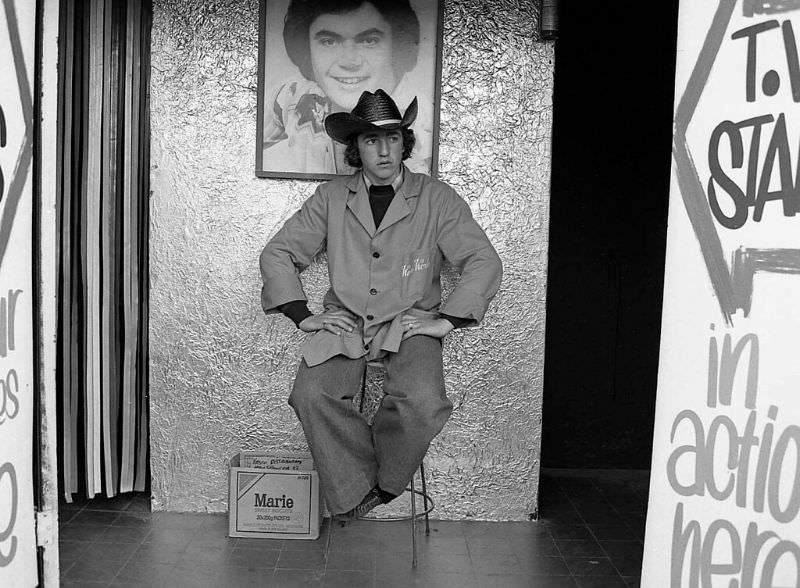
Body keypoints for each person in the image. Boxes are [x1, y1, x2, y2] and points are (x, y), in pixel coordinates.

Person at [259, 89, 502, 520]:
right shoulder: (332, 198)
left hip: (409, 323)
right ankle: (359, 486)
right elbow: (279, 253)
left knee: (423, 401)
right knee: (310, 394)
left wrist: (446, 320)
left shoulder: (437, 198)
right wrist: (304, 316)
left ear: (404, 142)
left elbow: (482, 259)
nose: (384, 149)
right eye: (372, 140)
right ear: (357, 148)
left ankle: (381, 484)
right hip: (346, 322)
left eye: (392, 137)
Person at [262, 0, 426, 175]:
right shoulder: (294, 95)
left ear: (397, 45)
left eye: (369, 40)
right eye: (329, 41)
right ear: (307, 48)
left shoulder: (424, 131)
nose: (349, 61)